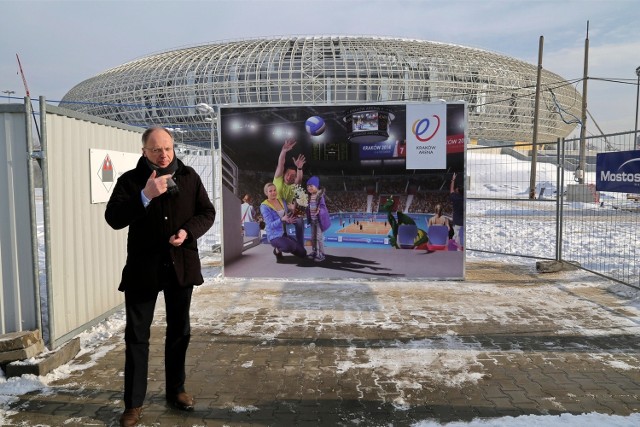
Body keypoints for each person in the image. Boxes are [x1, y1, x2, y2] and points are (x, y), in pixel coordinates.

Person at [105, 127, 215, 427]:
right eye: (155, 149)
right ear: (144, 152)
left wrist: (187, 231)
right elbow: (113, 218)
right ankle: (133, 404)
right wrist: (144, 196)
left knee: (179, 331)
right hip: (143, 269)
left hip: (180, 266)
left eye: (167, 148)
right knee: (137, 337)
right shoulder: (130, 181)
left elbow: (207, 212)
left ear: (174, 147)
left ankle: (176, 390)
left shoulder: (189, 177)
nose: (163, 154)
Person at [260, 182, 306, 261]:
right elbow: (270, 225)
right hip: (274, 236)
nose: (273, 192)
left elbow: (285, 218)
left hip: (284, 234)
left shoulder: (282, 201)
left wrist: (289, 218)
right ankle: (277, 250)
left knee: (303, 253)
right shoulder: (264, 206)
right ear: (266, 193)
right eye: (270, 191)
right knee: (289, 247)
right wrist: (281, 219)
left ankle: (288, 243)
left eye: (274, 190)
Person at [273, 138, 306, 244]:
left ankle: (300, 245)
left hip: (287, 212)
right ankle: (282, 239)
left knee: (300, 221)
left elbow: (299, 180)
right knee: (283, 202)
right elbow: (281, 164)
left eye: (293, 176)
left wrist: (299, 168)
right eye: (288, 174)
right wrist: (283, 151)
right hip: (276, 212)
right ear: (284, 174)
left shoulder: (294, 186)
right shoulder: (278, 179)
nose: (289, 177)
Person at [305, 176, 330, 261]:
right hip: (312, 220)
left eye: (311, 186)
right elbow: (308, 207)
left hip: (319, 221)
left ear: (316, 186)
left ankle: (322, 253)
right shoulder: (309, 196)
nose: (309, 188)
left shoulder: (320, 196)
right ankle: (314, 251)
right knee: (313, 237)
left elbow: (323, 207)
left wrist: (319, 210)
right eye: (308, 186)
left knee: (319, 237)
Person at [449, 172, 464, 247]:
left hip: (457, 222)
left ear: (458, 191)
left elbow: (451, 190)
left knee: (456, 238)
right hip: (464, 222)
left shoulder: (455, 198)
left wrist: (453, 180)